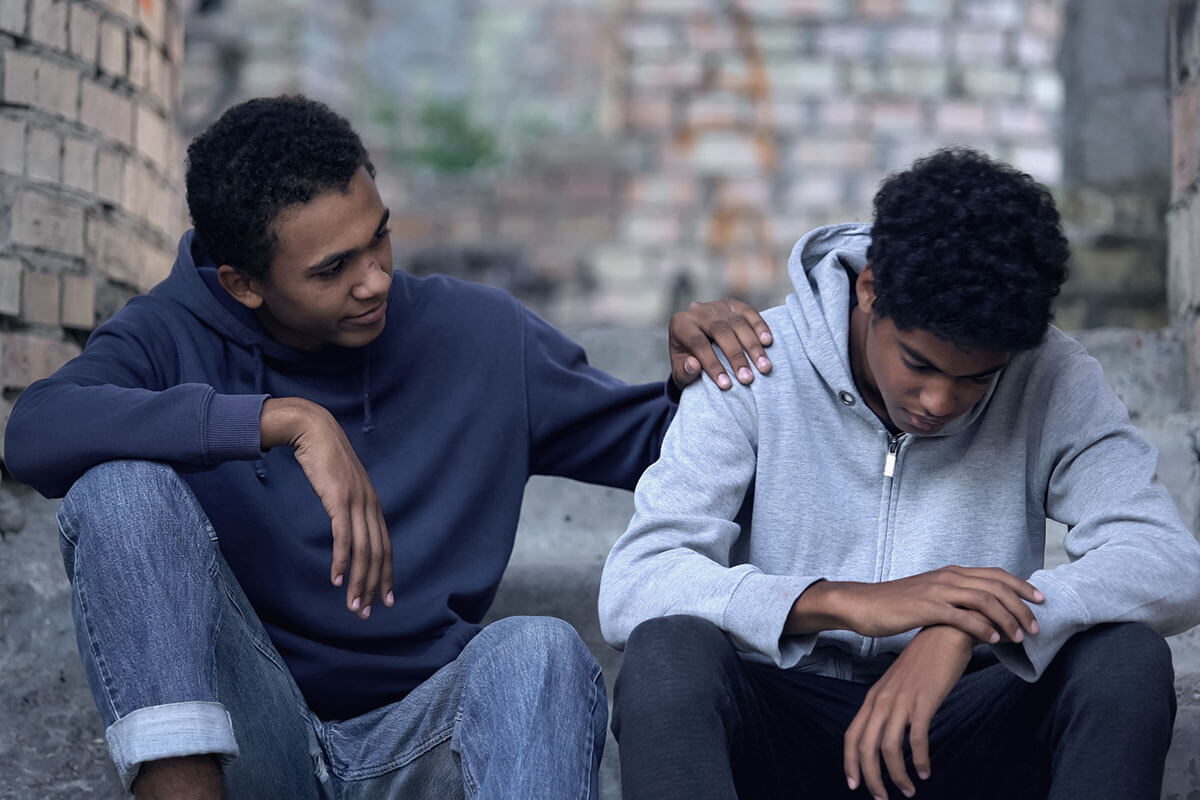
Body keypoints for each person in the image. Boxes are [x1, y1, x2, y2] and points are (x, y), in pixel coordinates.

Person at [3, 95, 774, 800]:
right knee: (122, 491)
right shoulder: (170, 332)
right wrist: (281, 419)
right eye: (333, 270)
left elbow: (661, 450)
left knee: (539, 649)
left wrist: (700, 383)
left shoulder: (478, 337)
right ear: (242, 284)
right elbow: (37, 431)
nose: (373, 281)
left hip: (425, 740)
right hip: (252, 738)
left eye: (379, 240)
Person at [598, 148, 1200, 800]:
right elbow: (638, 580)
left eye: (977, 378)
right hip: (785, 725)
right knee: (668, 654)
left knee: (1124, 659)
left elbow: (1167, 559)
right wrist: (844, 602)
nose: (939, 402)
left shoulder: (1053, 375)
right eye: (918, 363)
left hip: (960, 725)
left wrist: (964, 624)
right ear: (869, 289)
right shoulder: (752, 365)